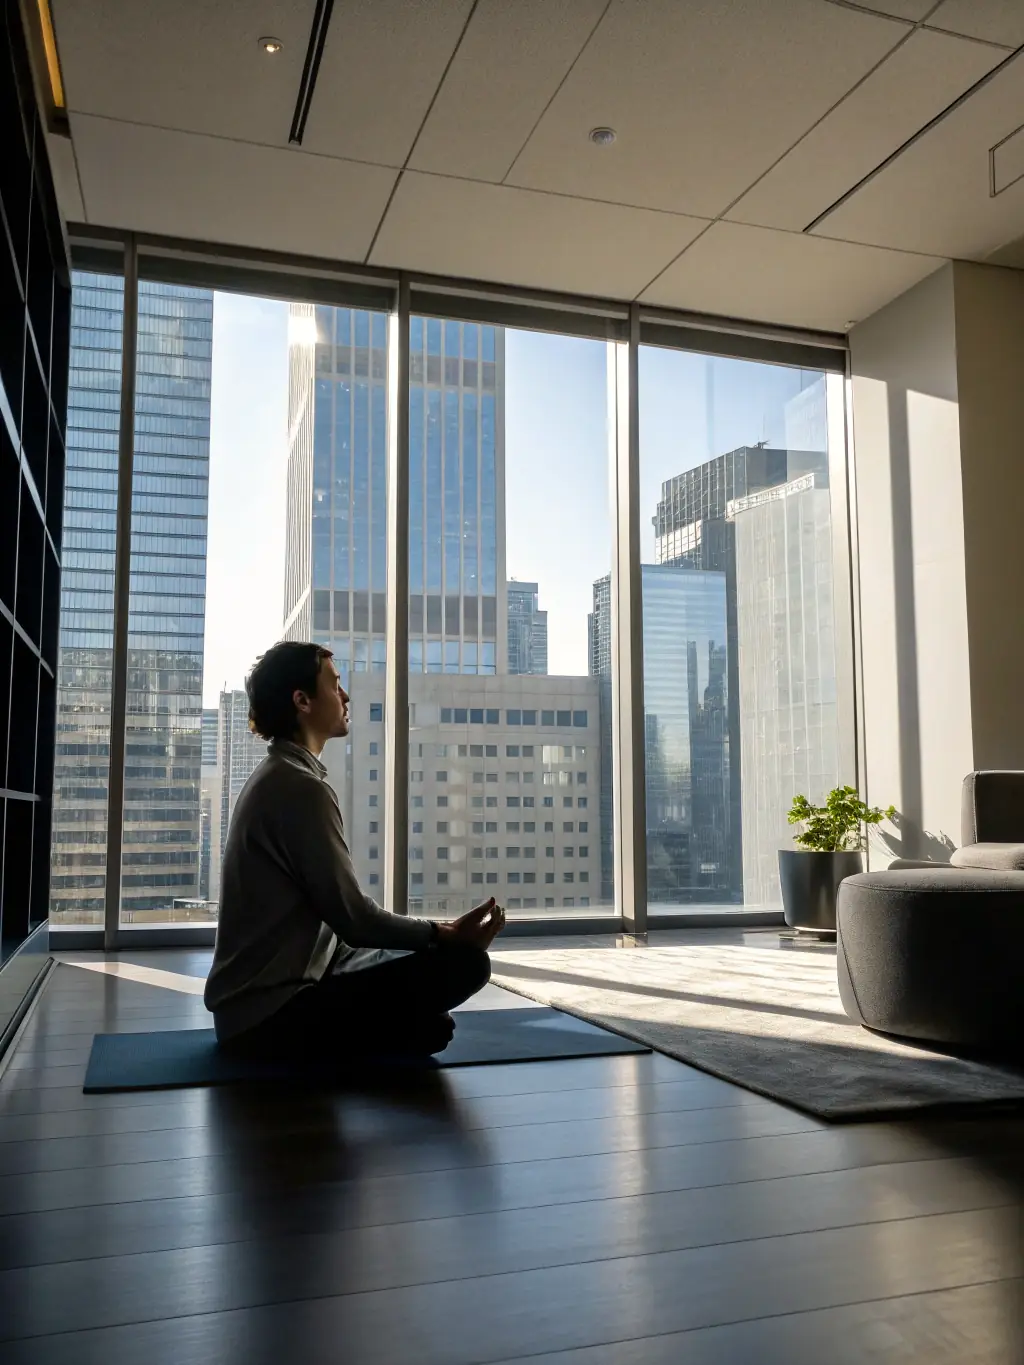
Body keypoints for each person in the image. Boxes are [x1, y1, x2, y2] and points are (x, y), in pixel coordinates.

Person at [204, 640, 505, 1059]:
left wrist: (424, 943)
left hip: (262, 1004)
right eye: (335, 684)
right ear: (302, 700)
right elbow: (355, 920)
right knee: (468, 966)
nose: (345, 696)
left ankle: (390, 1031)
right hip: (268, 1016)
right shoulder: (299, 788)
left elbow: (340, 934)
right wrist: (445, 935)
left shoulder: (280, 776)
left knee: (429, 1016)